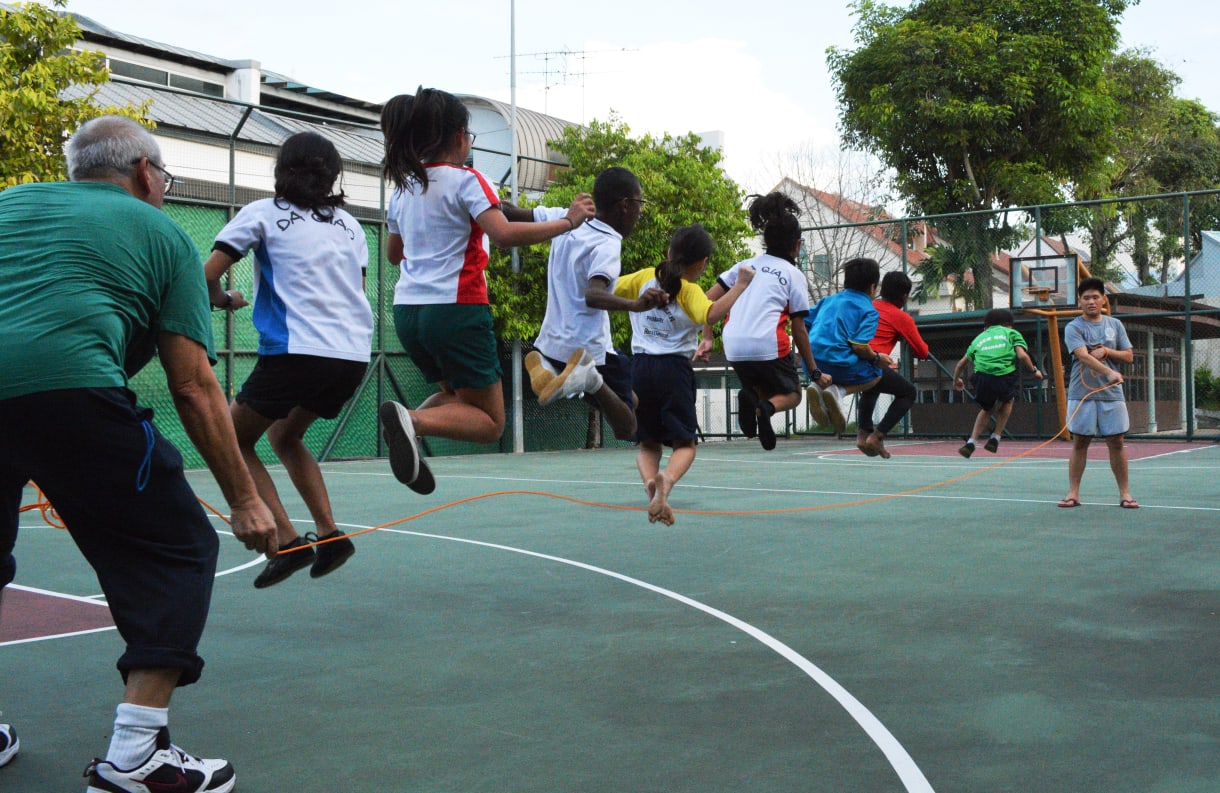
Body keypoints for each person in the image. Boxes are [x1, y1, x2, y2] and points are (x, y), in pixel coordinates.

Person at [0, 116, 276, 792]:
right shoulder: (163, 233)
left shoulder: (8, 205)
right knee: (176, 548)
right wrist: (244, 498)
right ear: (146, 174)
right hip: (70, 390)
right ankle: (136, 754)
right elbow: (193, 385)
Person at [377, 88, 595, 493]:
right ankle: (413, 420)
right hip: (457, 308)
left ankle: (408, 428)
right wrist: (568, 222)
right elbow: (505, 234)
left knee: (463, 401)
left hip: (408, 312)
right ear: (459, 136)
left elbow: (394, 254)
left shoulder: (403, 189)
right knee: (490, 423)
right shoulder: (467, 180)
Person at [203, 131, 373, 588]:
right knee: (285, 435)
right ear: (332, 176)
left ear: (281, 171)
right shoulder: (350, 225)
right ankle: (331, 534)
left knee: (231, 438)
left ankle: (287, 540)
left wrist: (224, 298)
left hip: (298, 350)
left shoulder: (260, 214)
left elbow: (207, 278)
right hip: (353, 352)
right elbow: (352, 290)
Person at [614, 224, 754, 524]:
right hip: (674, 370)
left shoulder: (642, 278)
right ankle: (667, 479)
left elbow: (608, 286)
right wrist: (740, 285)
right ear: (701, 264)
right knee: (685, 445)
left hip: (639, 368)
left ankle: (653, 492)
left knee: (648, 444)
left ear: (668, 252)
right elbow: (712, 313)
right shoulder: (689, 291)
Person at [526, 166, 667, 441]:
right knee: (628, 427)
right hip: (588, 349)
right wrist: (636, 305)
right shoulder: (607, 243)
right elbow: (593, 295)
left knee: (631, 399)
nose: (640, 212)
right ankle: (589, 377)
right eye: (640, 203)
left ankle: (548, 367)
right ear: (625, 205)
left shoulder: (567, 218)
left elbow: (511, 213)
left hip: (552, 343)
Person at [705, 192, 828, 451]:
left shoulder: (743, 265)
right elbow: (799, 330)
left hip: (733, 345)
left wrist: (706, 337)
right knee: (793, 394)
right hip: (766, 344)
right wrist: (814, 371)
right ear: (797, 245)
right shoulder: (793, 275)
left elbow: (706, 302)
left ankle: (752, 398)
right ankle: (766, 408)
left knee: (761, 386)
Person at [805, 258, 901, 458]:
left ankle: (817, 386)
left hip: (812, 364)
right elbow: (859, 346)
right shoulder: (869, 310)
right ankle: (838, 392)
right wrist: (877, 358)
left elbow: (803, 322)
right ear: (873, 288)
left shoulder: (827, 301)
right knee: (877, 372)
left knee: (840, 362)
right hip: (840, 364)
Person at [1057, 277, 1138, 508]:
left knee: (1117, 441)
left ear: (1103, 299)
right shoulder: (1074, 327)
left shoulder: (1115, 325)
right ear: (1079, 302)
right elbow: (1082, 355)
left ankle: (1125, 494)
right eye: (1086, 298)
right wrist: (1109, 372)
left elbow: (1129, 356)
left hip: (1112, 395)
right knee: (1080, 441)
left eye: (1095, 297)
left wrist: (1107, 351)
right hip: (1081, 393)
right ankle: (1073, 493)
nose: (1091, 301)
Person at [842, 270, 928, 455]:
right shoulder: (901, 317)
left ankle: (863, 435)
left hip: (849, 359)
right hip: (871, 360)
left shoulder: (868, 307)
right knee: (908, 392)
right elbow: (922, 352)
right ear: (904, 296)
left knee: (872, 386)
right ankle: (878, 436)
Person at [952, 308, 1043, 458]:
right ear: (1009, 325)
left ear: (986, 327)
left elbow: (961, 364)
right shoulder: (1011, 333)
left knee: (987, 409)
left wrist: (956, 381)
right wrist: (1034, 371)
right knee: (1008, 401)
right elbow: (1022, 355)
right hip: (1003, 375)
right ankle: (996, 437)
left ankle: (972, 442)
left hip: (981, 377)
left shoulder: (979, 338)